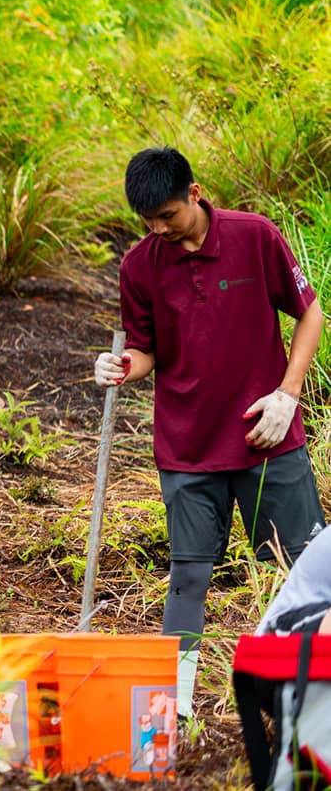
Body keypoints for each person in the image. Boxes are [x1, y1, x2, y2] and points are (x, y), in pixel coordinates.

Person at [93, 146, 326, 717]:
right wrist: (121, 368)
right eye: (148, 222)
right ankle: (176, 706)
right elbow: (145, 350)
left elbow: (310, 312)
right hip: (187, 446)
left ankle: (317, 694)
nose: (159, 230)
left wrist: (287, 395)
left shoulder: (254, 236)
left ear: (194, 194)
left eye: (168, 216)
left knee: (305, 566)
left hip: (266, 437)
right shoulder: (139, 265)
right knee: (189, 573)